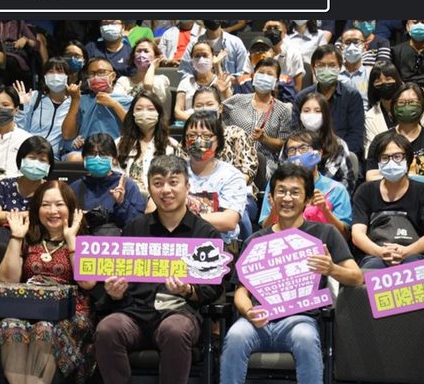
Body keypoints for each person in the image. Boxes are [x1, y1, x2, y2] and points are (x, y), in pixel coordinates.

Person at [217, 163, 363, 384]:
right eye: (281, 191)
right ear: (271, 198)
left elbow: (356, 277)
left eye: (295, 192)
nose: (287, 198)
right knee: (235, 335)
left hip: (299, 319)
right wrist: (248, 311)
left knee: (306, 337)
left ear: (307, 199)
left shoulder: (324, 234)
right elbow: (240, 292)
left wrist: (331, 269)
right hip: (258, 319)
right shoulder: (256, 239)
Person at [93, 155, 224, 384]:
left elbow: (213, 289)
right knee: (108, 329)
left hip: (180, 313)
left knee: (174, 330)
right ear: (149, 188)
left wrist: (189, 290)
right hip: (136, 313)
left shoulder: (205, 233)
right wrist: (115, 292)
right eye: (158, 183)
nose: (166, 190)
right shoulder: (135, 229)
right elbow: (120, 281)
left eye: (174, 182)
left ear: (187, 187)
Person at [0, 180, 95, 384]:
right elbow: (7, 281)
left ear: (71, 209)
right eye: (45, 205)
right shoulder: (27, 238)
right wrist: (16, 237)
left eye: (59, 204)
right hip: (27, 311)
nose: (52, 211)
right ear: (36, 209)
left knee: (45, 329)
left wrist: (71, 241)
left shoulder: (86, 240)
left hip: (71, 315)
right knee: (9, 326)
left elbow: (87, 283)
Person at [352, 133, 424, 269]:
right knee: (371, 270)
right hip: (375, 255)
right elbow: (357, 234)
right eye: (384, 158)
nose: (391, 162)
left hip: (414, 253)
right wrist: (381, 252)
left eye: (397, 156)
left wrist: (405, 252)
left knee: (414, 266)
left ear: (408, 160)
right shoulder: (365, 190)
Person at [259, 130, 352, 239]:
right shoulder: (277, 185)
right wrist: (275, 210)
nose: (297, 154)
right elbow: (264, 230)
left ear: (319, 153)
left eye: (303, 148)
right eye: (292, 150)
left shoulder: (336, 189)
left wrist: (325, 211)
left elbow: (344, 235)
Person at [365, 83, 424, 190]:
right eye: (401, 102)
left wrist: (404, 182)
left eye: (412, 102)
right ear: (394, 107)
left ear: (422, 105)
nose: (407, 106)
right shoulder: (380, 139)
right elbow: (371, 177)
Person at [183, 111, 247, 248]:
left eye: (206, 136)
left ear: (218, 141)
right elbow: (152, 208)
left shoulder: (232, 176)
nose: (198, 141)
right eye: (192, 135)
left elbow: (228, 221)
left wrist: (181, 218)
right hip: (178, 242)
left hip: (220, 246)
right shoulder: (174, 169)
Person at [292, 44, 365, 159]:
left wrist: (334, 156)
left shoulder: (352, 96)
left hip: (342, 157)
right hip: (307, 157)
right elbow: (295, 133)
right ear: (313, 68)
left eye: (332, 65)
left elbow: (355, 137)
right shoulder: (302, 98)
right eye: (320, 65)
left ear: (340, 67)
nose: (326, 69)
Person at [222, 58, 292, 176]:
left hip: (265, 166)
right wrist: (220, 93)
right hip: (233, 161)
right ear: (254, 76)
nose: (265, 76)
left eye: (269, 74)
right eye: (261, 73)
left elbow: (283, 144)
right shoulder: (237, 100)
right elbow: (217, 115)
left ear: (276, 81)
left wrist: (264, 138)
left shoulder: (284, 110)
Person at [70, 133, 145, 230]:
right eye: (92, 154)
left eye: (103, 154)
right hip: (82, 237)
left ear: (113, 158)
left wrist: (122, 203)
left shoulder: (127, 186)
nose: (97, 158)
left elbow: (139, 226)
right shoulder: (75, 188)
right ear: (84, 158)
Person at [61, 57, 132, 157]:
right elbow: (67, 135)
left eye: (101, 72)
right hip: (87, 153)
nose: (96, 77)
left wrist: (114, 105)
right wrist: (75, 99)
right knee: (73, 158)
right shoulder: (82, 100)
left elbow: (135, 129)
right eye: (92, 73)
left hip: (115, 152)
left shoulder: (127, 100)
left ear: (112, 76)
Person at [116, 91, 179, 201]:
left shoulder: (172, 146)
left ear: (159, 113)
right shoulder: (118, 144)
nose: (144, 113)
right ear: (132, 113)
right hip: (125, 203)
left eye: (150, 109)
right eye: (139, 109)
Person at [0, 135, 54, 227]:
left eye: (42, 160)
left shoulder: (52, 190)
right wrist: (28, 215)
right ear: (21, 159)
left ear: (49, 166)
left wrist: (6, 216)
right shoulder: (4, 185)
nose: (36, 164)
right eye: (32, 158)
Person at [295, 92, 356, 194]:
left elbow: (347, 182)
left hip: (330, 198)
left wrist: (327, 199)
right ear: (300, 115)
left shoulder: (338, 145)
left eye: (317, 111)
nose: (311, 115)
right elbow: (282, 175)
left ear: (325, 115)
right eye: (306, 111)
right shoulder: (291, 143)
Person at [364, 61, 424, 152]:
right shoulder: (370, 117)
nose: (384, 83)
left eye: (388, 79)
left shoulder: (415, 108)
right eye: (378, 81)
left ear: (397, 80)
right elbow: (371, 151)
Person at [13, 57, 72, 158]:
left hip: (54, 158)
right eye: (50, 71)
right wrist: (22, 107)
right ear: (45, 77)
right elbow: (19, 129)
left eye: (59, 71)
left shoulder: (73, 103)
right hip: (29, 153)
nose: (55, 75)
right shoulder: (34, 97)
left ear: (67, 77)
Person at [174, 41, 231, 121]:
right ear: (191, 60)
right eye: (197, 56)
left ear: (212, 57)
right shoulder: (185, 82)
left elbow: (230, 107)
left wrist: (217, 65)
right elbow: (177, 112)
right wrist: (198, 121)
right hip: (192, 125)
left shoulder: (221, 81)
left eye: (205, 55)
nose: (201, 59)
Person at [234, 37, 297, 105]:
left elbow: (289, 105)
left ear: (273, 54)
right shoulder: (242, 81)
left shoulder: (285, 81)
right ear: (250, 57)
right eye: (255, 50)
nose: (260, 53)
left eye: (264, 49)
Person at [179, 20, 250, 78]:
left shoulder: (235, 43)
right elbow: (185, 71)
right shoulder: (193, 44)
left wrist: (229, 80)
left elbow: (244, 72)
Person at [113, 38, 171, 105]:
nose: (141, 55)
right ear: (133, 57)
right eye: (139, 51)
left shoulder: (161, 80)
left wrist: (152, 67)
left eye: (146, 51)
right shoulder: (123, 81)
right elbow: (118, 103)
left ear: (156, 57)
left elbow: (153, 102)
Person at [262, 20, 305, 91]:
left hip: (285, 95)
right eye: (269, 28)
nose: (272, 31)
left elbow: (297, 88)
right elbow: (247, 81)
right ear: (263, 31)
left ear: (284, 32)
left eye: (276, 28)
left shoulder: (294, 53)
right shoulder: (254, 52)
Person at [338, 27, 370, 110]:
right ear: (341, 47)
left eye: (356, 42)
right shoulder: (333, 73)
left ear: (365, 46)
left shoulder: (370, 74)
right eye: (347, 42)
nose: (352, 46)